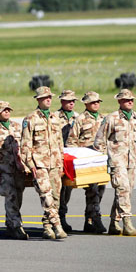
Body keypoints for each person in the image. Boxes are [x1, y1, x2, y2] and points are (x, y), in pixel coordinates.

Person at [94, 89, 136, 236]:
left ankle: (113, 222)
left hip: (131, 162)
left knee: (125, 192)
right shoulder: (111, 118)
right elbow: (99, 141)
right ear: (119, 101)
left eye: (131, 99)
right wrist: (106, 159)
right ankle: (127, 223)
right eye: (126, 99)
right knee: (123, 188)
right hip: (117, 161)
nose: (130, 102)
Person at [20, 86, 67, 240]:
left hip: (55, 163)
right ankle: (57, 225)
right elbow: (25, 144)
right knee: (46, 195)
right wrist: (30, 165)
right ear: (38, 100)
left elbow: (59, 142)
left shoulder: (55, 117)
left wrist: (60, 162)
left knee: (55, 197)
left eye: (50, 97)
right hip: (39, 164)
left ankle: (47, 227)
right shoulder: (30, 119)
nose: (49, 99)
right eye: (45, 97)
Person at [0, 100, 29, 240]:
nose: (7, 111)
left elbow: (25, 145)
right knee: (11, 196)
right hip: (4, 169)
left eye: (8, 109)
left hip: (18, 169)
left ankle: (10, 223)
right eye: (3, 110)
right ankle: (15, 226)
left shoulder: (17, 126)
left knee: (18, 197)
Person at [67, 91, 107, 233]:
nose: (96, 104)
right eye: (93, 102)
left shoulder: (103, 119)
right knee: (92, 190)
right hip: (86, 162)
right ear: (86, 104)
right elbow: (71, 141)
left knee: (100, 190)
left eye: (98, 102)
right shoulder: (80, 119)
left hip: (99, 161)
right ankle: (94, 218)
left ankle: (89, 220)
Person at [56, 89, 79, 233]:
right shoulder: (55, 117)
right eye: (68, 101)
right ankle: (60, 217)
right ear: (62, 101)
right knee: (59, 188)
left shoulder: (78, 117)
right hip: (59, 156)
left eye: (73, 101)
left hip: (72, 157)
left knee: (69, 187)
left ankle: (62, 214)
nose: (71, 103)